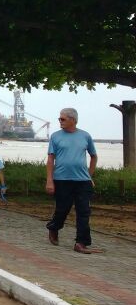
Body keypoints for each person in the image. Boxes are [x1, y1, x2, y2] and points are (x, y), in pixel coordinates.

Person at [46, 108, 99, 254]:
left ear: (73, 120)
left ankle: (81, 243)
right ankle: (54, 227)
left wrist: (89, 175)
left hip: (82, 181)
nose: (60, 121)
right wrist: (49, 180)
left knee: (84, 211)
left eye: (62, 119)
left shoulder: (85, 136)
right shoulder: (56, 137)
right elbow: (51, 159)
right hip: (62, 180)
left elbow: (94, 156)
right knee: (62, 209)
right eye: (59, 119)